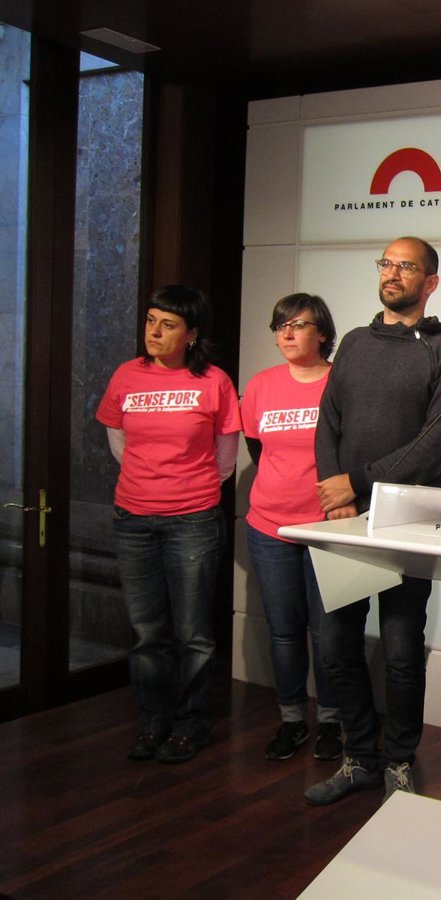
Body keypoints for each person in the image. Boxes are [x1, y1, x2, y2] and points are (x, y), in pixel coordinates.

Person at [303, 237, 441, 806]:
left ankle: (399, 760)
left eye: (406, 266)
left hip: (409, 518)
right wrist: (335, 491)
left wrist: (358, 482)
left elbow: (435, 447)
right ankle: (358, 759)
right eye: (387, 264)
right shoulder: (353, 342)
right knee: (337, 644)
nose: (392, 274)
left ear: (430, 282)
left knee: (400, 649)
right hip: (345, 516)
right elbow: (328, 421)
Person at [97, 284, 241, 764]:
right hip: (133, 517)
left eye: (168, 324)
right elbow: (117, 437)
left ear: (191, 334)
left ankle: (190, 725)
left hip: (193, 519)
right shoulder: (127, 375)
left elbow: (225, 458)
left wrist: (185, 486)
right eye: (150, 321)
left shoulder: (214, 381)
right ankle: (153, 723)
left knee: (193, 633)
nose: (154, 332)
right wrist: (149, 477)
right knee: (147, 632)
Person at [242, 293, 342, 762]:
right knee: (284, 631)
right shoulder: (261, 385)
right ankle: (292, 719)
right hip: (270, 526)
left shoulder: (340, 383)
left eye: (298, 325)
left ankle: (332, 721)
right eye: (280, 325)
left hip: (326, 528)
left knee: (327, 632)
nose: (287, 333)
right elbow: (257, 449)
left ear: (322, 333)